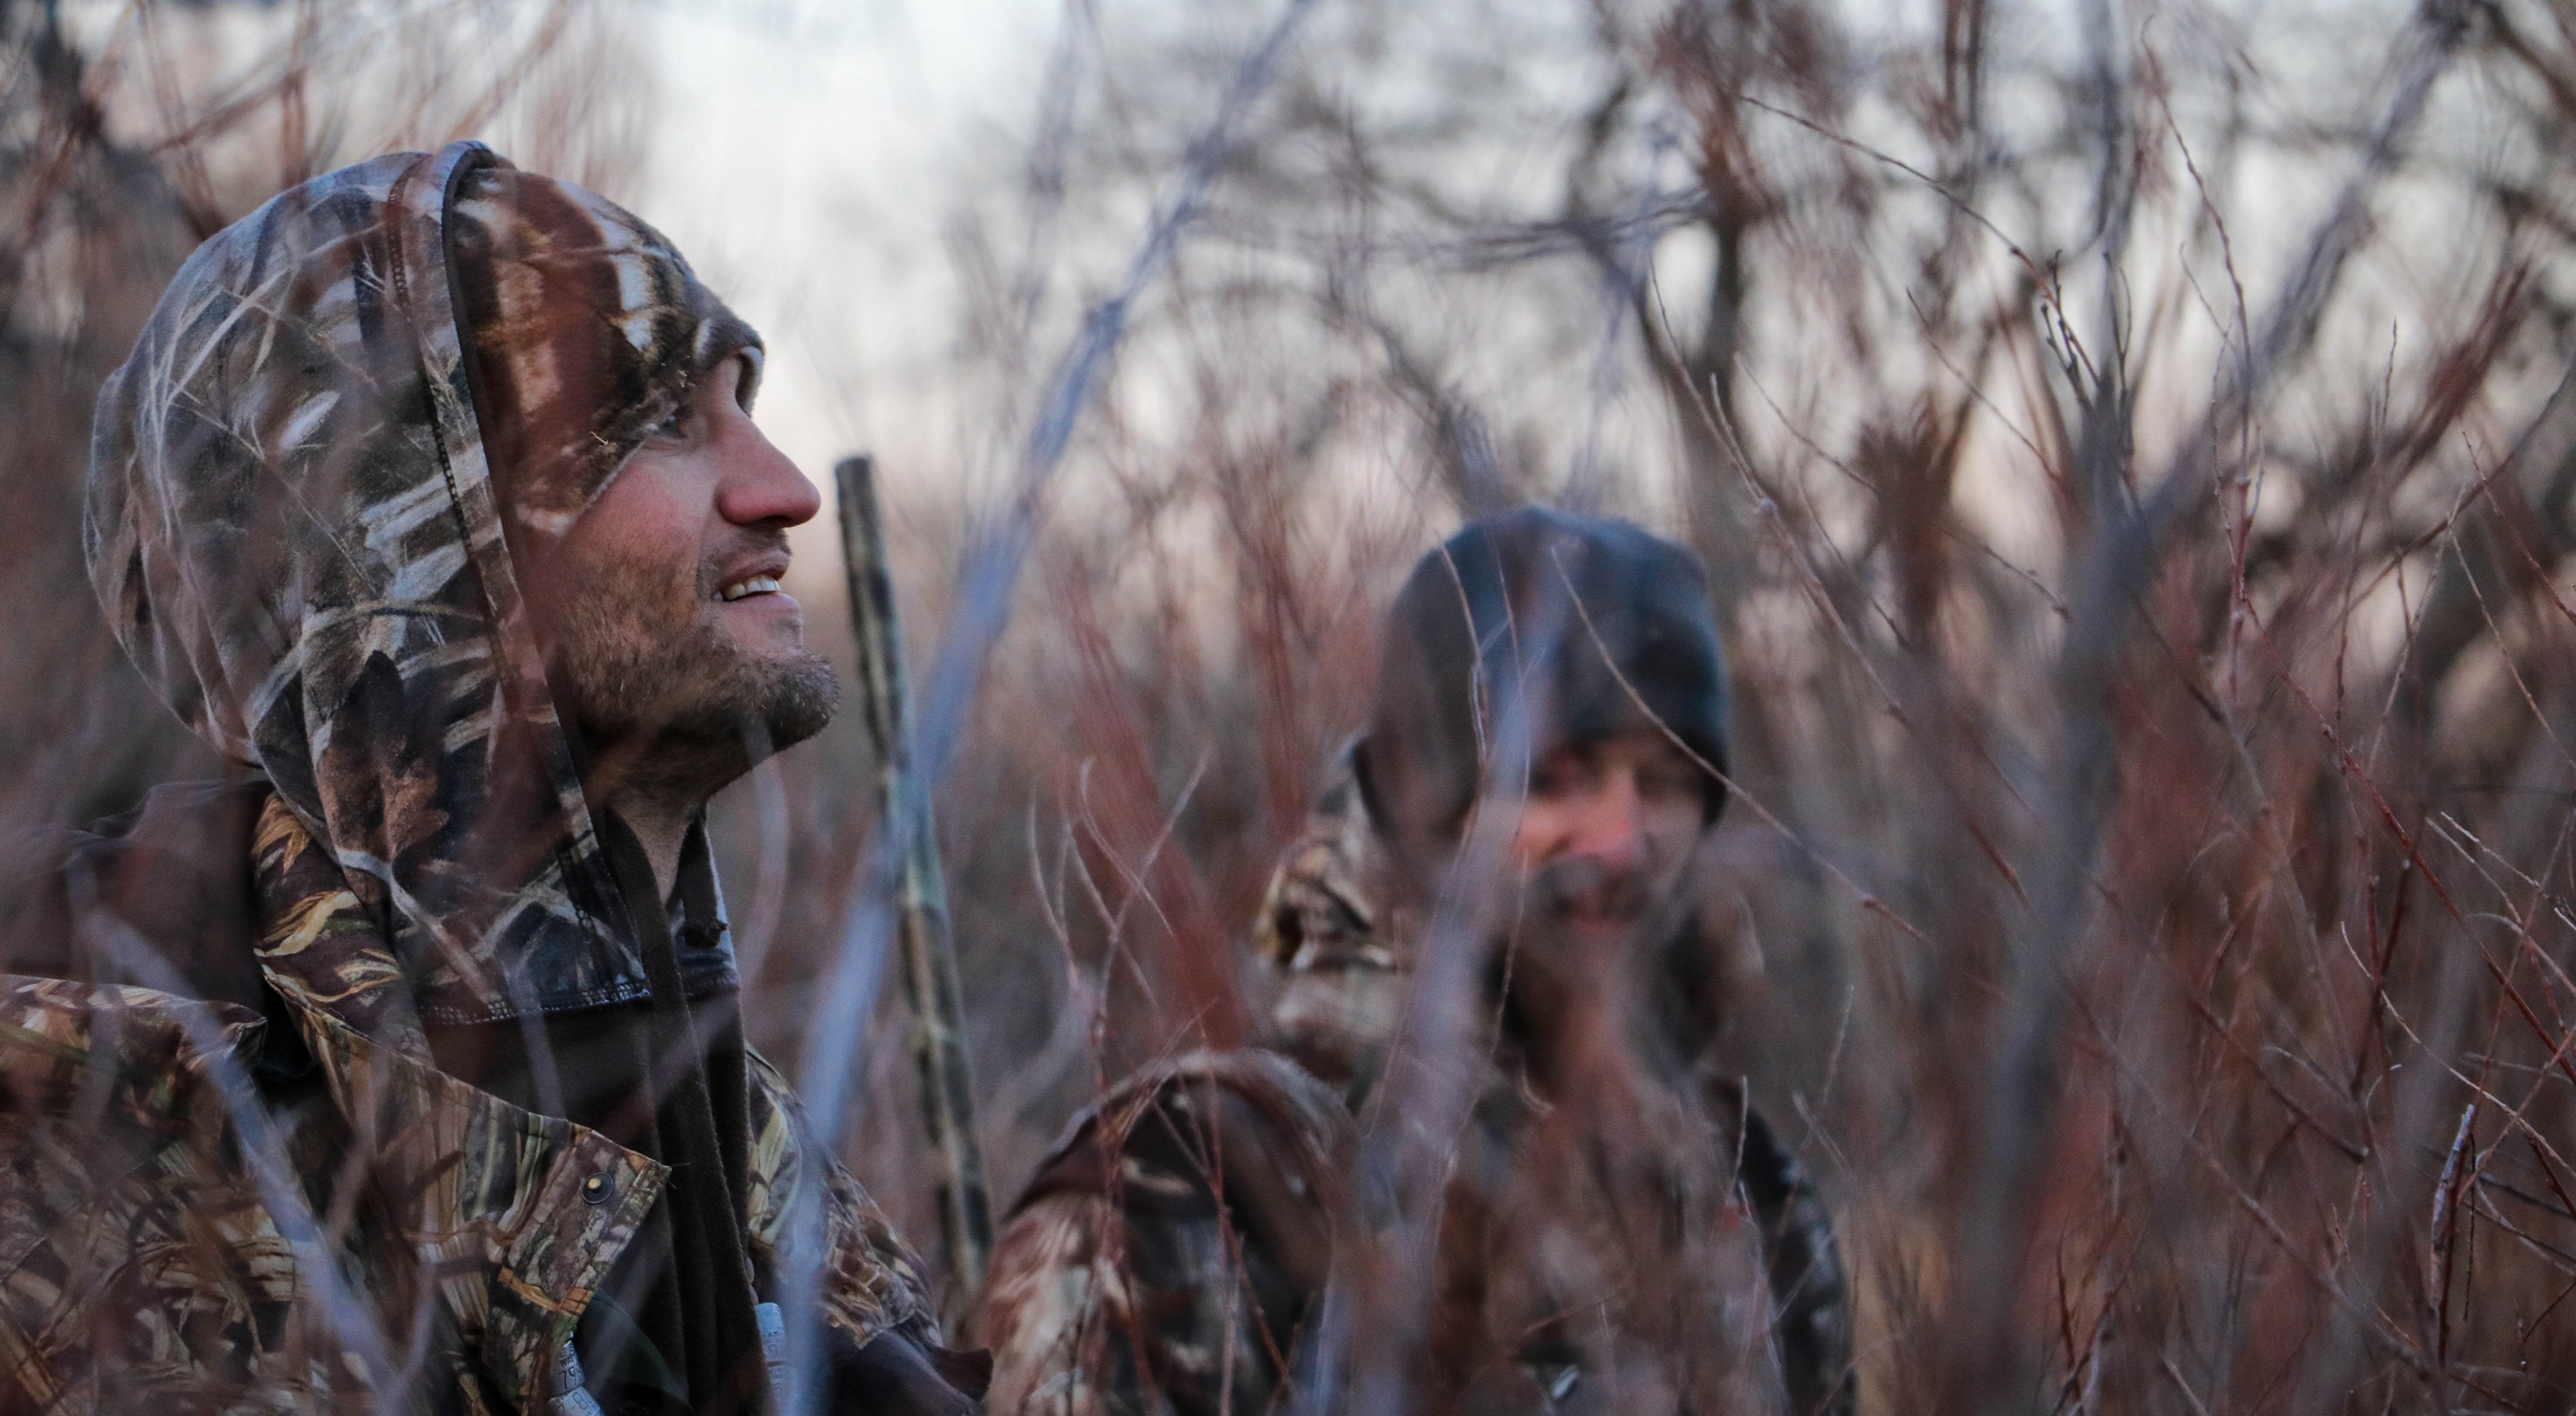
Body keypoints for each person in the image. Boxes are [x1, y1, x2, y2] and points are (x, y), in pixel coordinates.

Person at [0, 142, 985, 1414]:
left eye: (745, 402)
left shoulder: (757, 1150)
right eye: (667, 423)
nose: (785, 488)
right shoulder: (83, 1165)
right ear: (391, 526)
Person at [976, 507, 1853, 1415]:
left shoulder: (1749, 1191)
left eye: (1668, 779)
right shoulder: (1196, 1183)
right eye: (1555, 779)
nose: (1624, 839)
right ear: (1423, 810)